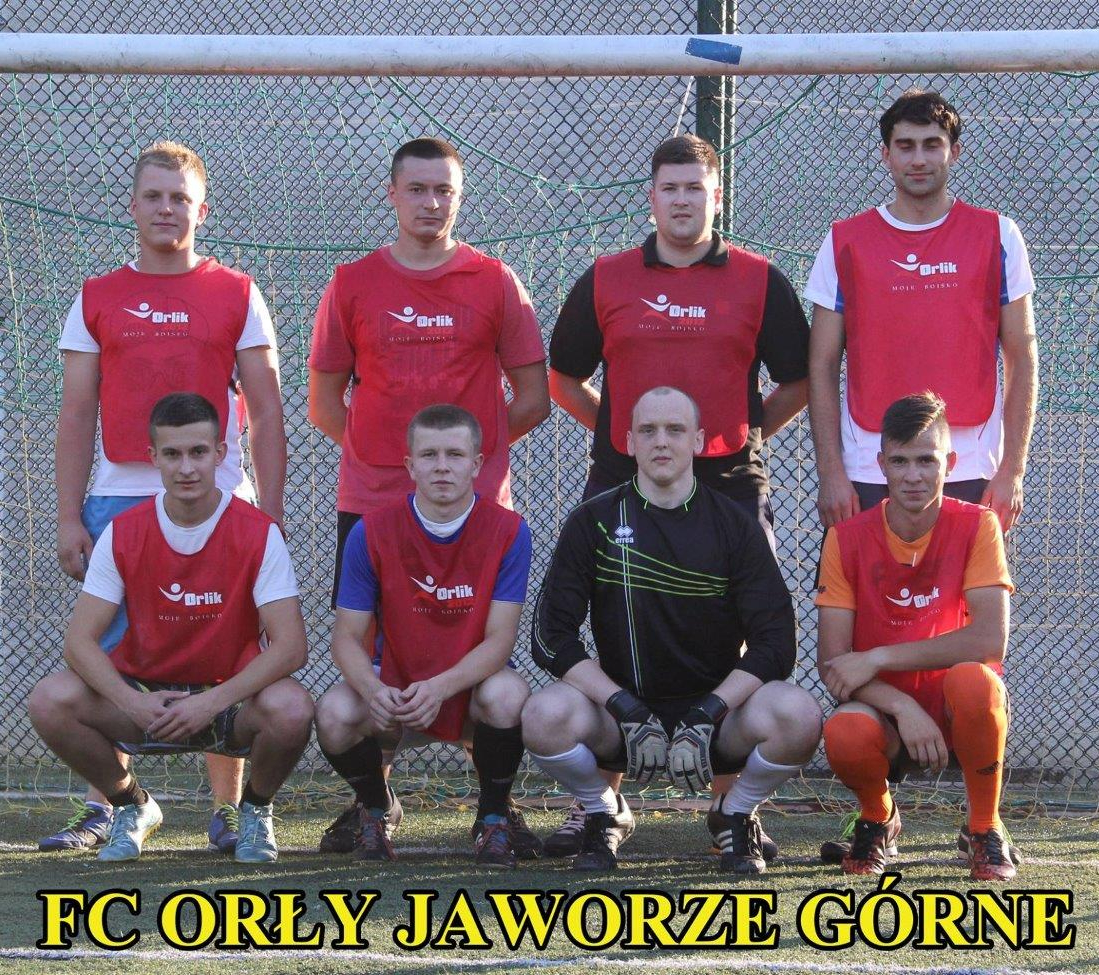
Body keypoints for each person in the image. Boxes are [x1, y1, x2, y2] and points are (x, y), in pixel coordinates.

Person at [545, 133, 810, 854]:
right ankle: (600, 804)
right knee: (614, 623)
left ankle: (732, 808)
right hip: (622, 478)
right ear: (652, 197)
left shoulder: (760, 279)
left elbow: (798, 380)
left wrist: (735, 436)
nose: (683, 200)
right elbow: (563, 378)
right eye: (671, 188)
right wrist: (634, 441)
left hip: (730, 480)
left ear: (717, 196)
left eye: (696, 187)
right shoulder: (606, 278)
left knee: (741, 634)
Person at [306, 136, 548, 853]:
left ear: (459, 198)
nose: (431, 202)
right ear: (391, 194)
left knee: (476, 656)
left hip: (474, 509)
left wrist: (467, 464)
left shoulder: (494, 281)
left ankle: (495, 806)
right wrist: (392, 463)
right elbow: (324, 402)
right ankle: (373, 803)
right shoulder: (352, 283)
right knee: (374, 659)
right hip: (372, 502)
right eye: (417, 189)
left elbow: (533, 397)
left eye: (445, 190)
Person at [49, 139, 287, 855]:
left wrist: (268, 514)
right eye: (153, 196)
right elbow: (75, 413)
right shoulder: (96, 296)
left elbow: (267, 409)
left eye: (179, 198)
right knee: (115, 656)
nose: (165, 209)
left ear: (201, 211)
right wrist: (67, 515)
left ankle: (228, 807)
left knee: (220, 647)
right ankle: (115, 805)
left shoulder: (237, 292)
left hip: (221, 499)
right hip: (119, 496)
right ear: (132, 206)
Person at [524, 387, 821, 873]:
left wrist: (709, 711)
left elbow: (776, 644)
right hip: (621, 719)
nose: (661, 441)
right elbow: (549, 636)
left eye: (675, 430)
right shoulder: (593, 521)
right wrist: (623, 706)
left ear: (698, 441)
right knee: (543, 714)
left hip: (717, 722)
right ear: (629, 442)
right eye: (648, 430)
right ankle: (604, 812)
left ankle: (734, 812)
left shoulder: (735, 525)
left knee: (799, 713)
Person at [29, 393, 312, 863]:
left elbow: (291, 647)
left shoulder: (259, 532)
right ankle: (131, 805)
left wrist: (211, 702)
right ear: (153, 458)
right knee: (50, 699)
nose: (186, 467)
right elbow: (78, 643)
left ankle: (254, 812)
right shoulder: (123, 531)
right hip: (147, 700)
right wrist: (132, 703)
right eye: (173, 454)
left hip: (226, 702)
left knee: (292, 707)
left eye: (198, 452)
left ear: (220, 454)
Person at [314, 405, 538, 867]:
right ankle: (376, 809)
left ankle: (493, 818)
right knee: (334, 712)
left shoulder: (509, 530)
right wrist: (373, 690)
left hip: (469, 687)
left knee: (509, 695)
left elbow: (500, 641)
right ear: (410, 465)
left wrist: (440, 688)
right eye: (429, 455)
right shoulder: (370, 531)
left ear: (476, 464)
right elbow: (346, 637)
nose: (441, 466)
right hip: (396, 688)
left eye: (455, 455)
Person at [807, 89, 1038, 532]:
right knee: (864, 580)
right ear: (886, 155)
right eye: (906, 146)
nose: (918, 159)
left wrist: (1012, 470)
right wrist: (832, 472)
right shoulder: (844, 241)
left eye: (932, 145)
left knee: (967, 581)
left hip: (971, 462)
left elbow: (1022, 357)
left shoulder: (999, 234)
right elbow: (821, 363)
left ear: (955, 152)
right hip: (870, 463)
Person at [815, 391, 1018, 881]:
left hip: (953, 709)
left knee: (977, 682)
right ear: (881, 465)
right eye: (900, 461)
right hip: (884, 711)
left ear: (950, 463)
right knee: (843, 731)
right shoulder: (846, 538)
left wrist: (878, 656)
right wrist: (902, 706)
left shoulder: (979, 525)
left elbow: (990, 641)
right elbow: (832, 663)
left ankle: (984, 828)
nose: (913, 475)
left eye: (926, 460)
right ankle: (877, 818)